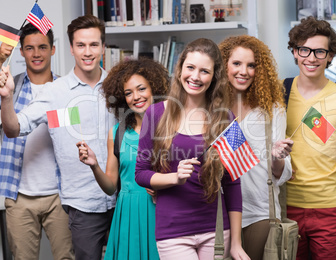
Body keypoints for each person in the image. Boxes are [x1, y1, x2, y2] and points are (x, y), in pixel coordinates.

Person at [0, 14, 116, 260]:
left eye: (94, 44)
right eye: (80, 45)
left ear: (103, 48)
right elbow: (14, 128)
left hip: (121, 198)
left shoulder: (118, 85)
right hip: (78, 204)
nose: (87, 51)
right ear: (71, 48)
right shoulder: (55, 93)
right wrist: (7, 98)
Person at [135, 38, 249, 260]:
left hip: (216, 230)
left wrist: (236, 243)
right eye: (190, 67)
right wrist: (174, 179)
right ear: (180, 70)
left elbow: (233, 182)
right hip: (172, 232)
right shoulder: (155, 114)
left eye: (204, 71)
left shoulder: (227, 118)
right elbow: (140, 173)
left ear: (214, 77)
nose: (195, 77)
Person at [285, 16, 336, 260]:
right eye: (305, 50)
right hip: (285, 207)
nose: (312, 58)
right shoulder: (279, 92)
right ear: (294, 52)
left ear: (330, 56)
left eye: (320, 52)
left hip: (328, 208)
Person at [77, 58, 169, 259]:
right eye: (128, 93)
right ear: (121, 98)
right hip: (128, 214)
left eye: (141, 89)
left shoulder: (171, 130)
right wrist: (94, 166)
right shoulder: (117, 134)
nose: (136, 97)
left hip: (162, 211)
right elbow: (110, 186)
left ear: (154, 89)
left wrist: (164, 185)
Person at [0, 23, 74, 260]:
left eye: (43, 47)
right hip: (19, 195)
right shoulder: (8, 88)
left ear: (53, 50)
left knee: (67, 257)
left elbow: (73, 128)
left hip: (61, 195)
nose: (37, 54)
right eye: (29, 48)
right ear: (21, 51)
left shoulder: (67, 90)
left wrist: (38, 117)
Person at [218, 35, 293, 260]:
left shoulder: (272, 110)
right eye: (237, 63)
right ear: (224, 66)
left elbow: (281, 173)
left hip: (259, 211)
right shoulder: (211, 108)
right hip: (217, 211)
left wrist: (278, 156)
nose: (244, 71)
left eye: (251, 65)